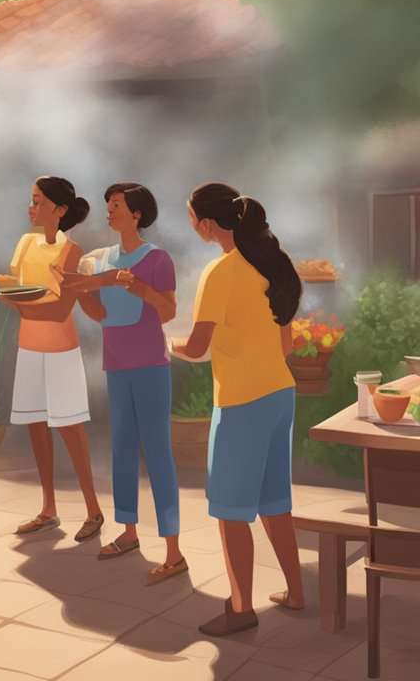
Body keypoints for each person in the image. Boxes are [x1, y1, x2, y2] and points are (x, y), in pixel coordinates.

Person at [172, 181, 303, 637]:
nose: (191, 225)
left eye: (191, 217)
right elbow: (285, 344)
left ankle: (241, 608)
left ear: (207, 224)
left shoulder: (220, 272)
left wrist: (164, 342)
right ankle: (296, 591)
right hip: (280, 395)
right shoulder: (271, 266)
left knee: (230, 510)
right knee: (274, 501)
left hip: (241, 402)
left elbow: (196, 346)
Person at [58, 182, 185, 584]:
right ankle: (128, 533)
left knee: (159, 454)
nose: (109, 212)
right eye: (109, 205)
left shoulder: (156, 259)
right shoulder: (103, 262)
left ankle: (174, 550)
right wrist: (74, 288)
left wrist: (136, 286)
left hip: (150, 366)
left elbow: (167, 311)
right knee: (123, 449)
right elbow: (100, 314)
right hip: (116, 365)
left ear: (137, 215)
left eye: (116, 206)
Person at [0, 176, 104, 542]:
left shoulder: (71, 252)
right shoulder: (26, 243)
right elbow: (12, 287)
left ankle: (93, 510)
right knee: (35, 426)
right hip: (28, 348)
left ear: (60, 211)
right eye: (31, 200)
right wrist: (23, 301)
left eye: (39, 202)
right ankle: (48, 509)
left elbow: (60, 309)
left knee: (69, 428)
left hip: (61, 349)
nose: (31, 207)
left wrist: (20, 303)